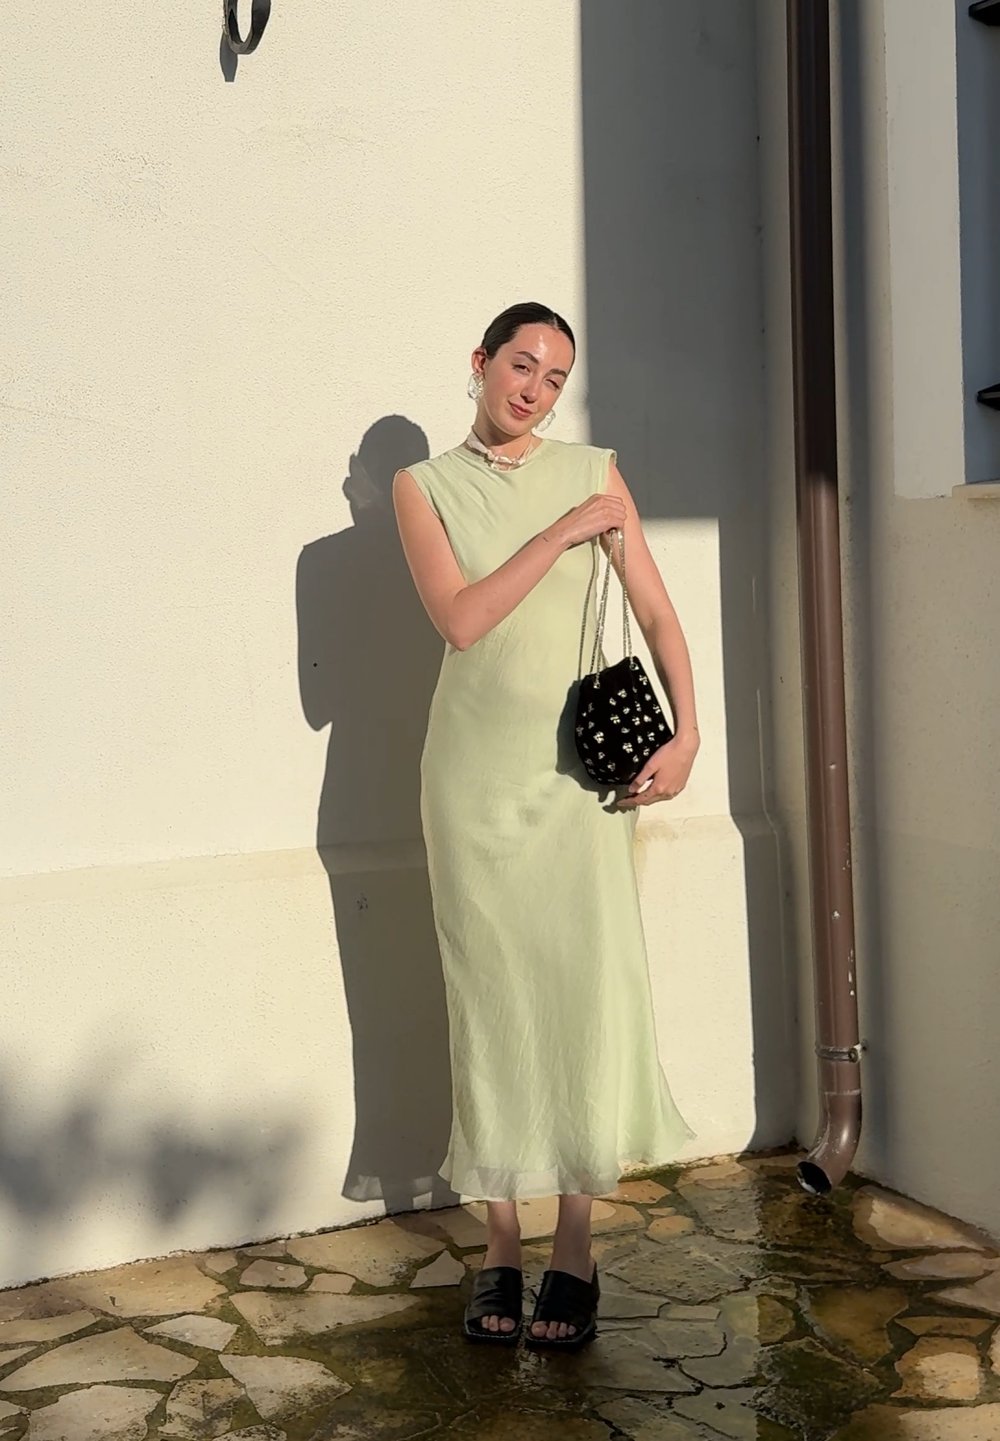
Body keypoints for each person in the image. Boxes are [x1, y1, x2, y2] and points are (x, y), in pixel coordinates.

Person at [393, 302, 698, 1350]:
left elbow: (654, 611)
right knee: (491, 1000)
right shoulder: (422, 485)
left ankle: (572, 1246)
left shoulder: (597, 469)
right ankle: (500, 1247)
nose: (535, 387)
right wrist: (561, 530)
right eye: (520, 364)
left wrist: (689, 730)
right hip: (472, 784)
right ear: (477, 363)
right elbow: (463, 620)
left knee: (581, 991)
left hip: (577, 781)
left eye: (555, 375)